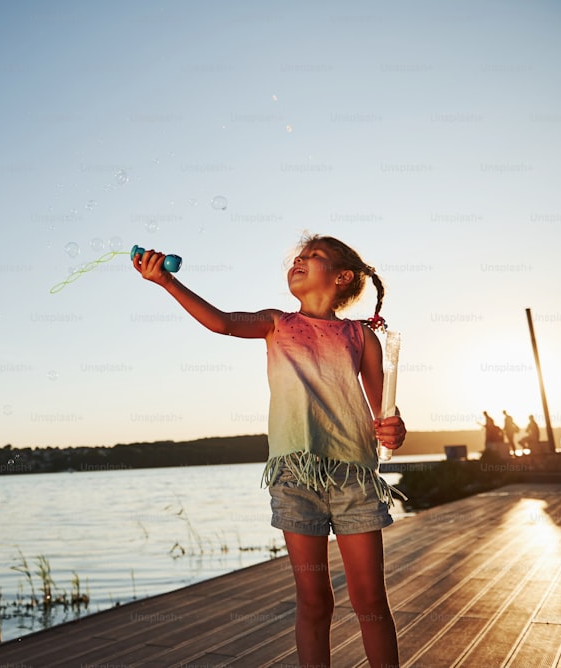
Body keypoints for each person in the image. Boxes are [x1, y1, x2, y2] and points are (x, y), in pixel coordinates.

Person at [133, 233, 405, 668]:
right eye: (297, 257)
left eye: (312, 257)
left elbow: (384, 415)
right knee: (314, 600)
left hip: (354, 474)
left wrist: (394, 430)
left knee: (370, 598)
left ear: (343, 277)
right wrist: (167, 283)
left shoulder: (361, 337)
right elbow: (221, 321)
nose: (298, 261)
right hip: (294, 476)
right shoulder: (276, 323)